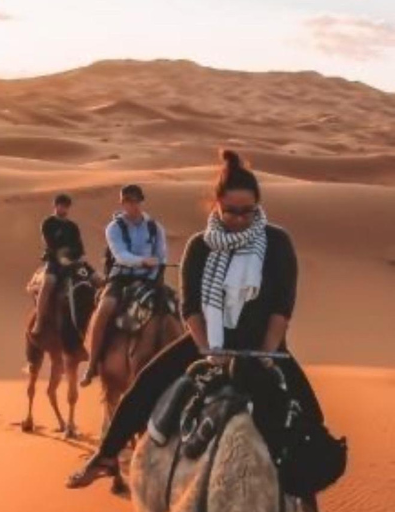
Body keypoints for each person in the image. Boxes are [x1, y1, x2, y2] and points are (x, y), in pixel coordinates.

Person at [67, 150, 325, 492]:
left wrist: (266, 351)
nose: (240, 218)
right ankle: (106, 456)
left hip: (265, 346)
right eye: (231, 211)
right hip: (209, 344)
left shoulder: (277, 242)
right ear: (216, 204)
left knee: (312, 420)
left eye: (248, 211)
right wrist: (207, 349)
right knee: (145, 384)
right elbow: (190, 308)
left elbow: (282, 305)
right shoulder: (200, 246)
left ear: (258, 206)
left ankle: (305, 494)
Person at [79, 184, 167, 387]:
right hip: (121, 278)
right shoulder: (114, 228)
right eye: (128, 201)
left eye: (136, 201)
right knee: (104, 309)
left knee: (174, 307)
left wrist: (153, 273)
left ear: (141, 202)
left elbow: (161, 255)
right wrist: (142, 261)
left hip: (149, 279)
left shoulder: (155, 227)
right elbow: (121, 255)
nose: (132, 205)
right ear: (123, 203)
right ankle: (92, 364)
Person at [30, 194, 86, 335]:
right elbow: (51, 244)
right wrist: (63, 256)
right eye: (61, 205)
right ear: (55, 206)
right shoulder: (48, 223)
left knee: (96, 280)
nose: (63, 208)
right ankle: (39, 321)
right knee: (48, 282)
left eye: (66, 206)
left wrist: (75, 258)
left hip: (72, 262)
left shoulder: (72, 226)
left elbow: (79, 248)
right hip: (54, 261)